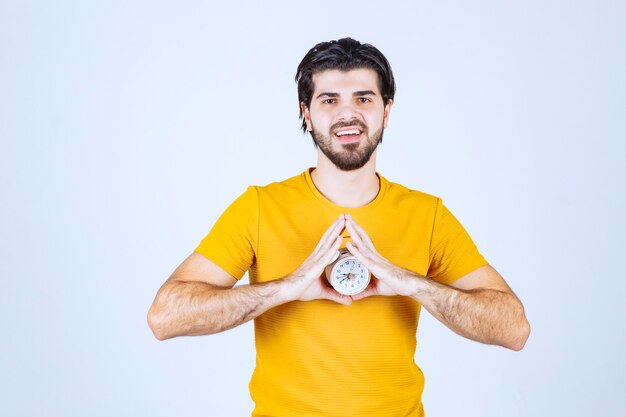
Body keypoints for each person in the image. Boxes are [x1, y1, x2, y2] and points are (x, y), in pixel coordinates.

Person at [147, 37, 530, 417]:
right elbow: (165, 317)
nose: (348, 114)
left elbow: (514, 329)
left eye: (364, 99)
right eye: (329, 100)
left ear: (387, 110)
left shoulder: (427, 215)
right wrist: (286, 289)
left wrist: (411, 282)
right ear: (307, 113)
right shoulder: (260, 208)